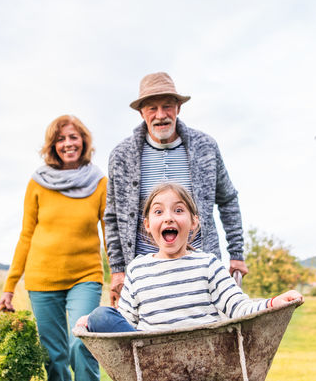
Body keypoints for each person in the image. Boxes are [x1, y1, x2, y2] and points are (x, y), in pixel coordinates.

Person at [78, 182, 303, 381]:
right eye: (159, 212)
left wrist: (273, 302)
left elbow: (237, 307)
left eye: (179, 210)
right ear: (148, 225)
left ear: (194, 222)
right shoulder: (138, 269)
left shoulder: (207, 264)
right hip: (153, 364)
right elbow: (126, 318)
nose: (169, 217)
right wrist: (95, 322)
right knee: (102, 315)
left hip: (208, 362)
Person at [0, 114, 106, 381]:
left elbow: (110, 231)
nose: (68, 144)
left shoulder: (99, 182)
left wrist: (119, 276)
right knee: (53, 355)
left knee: (81, 344)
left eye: (74, 137)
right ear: (53, 146)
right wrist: (10, 285)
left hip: (85, 275)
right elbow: (26, 234)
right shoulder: (38, 182)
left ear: (84, 141)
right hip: (42, 279)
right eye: (61, 139)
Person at [104, 72, 247, 309]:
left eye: (167, 106)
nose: (161, 115)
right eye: (152, 108)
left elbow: (228, 199)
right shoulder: (121, 156)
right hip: (145, 272)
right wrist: (118, 270)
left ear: (178, 108)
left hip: (199, 265)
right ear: (141, 113)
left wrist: (237, 253)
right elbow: (112, 216)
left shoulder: (205, 148)